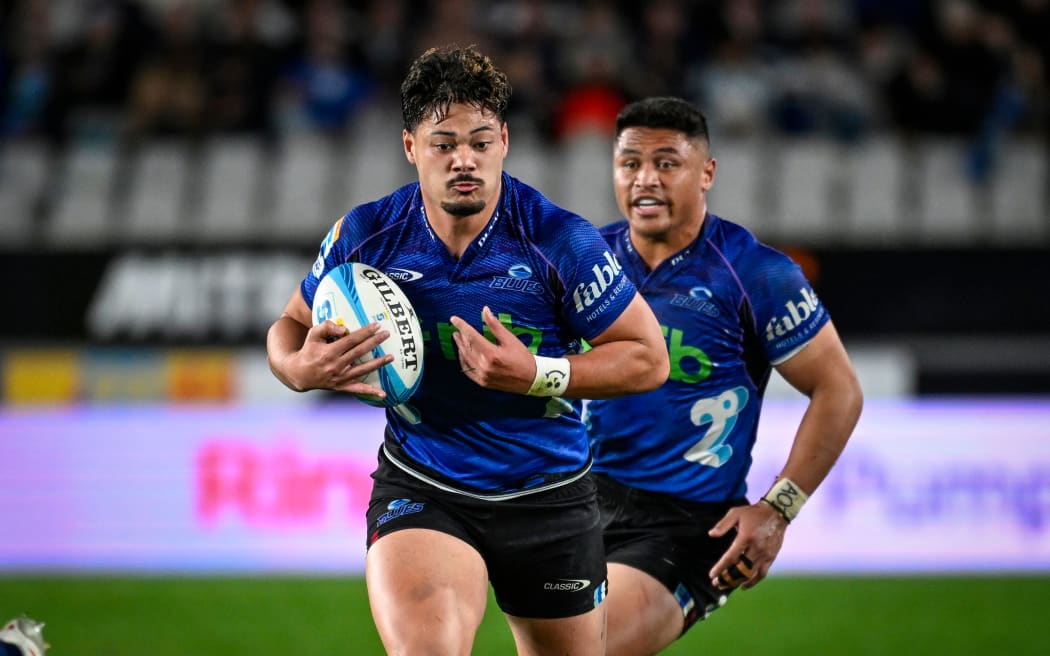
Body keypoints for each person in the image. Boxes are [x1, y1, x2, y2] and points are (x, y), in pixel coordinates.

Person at [265, 46, 669, 656]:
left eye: (481, 142)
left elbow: (648, 357)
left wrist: (538, 374)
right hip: (424, 486)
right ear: (410, 146)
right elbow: (289, 326)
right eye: (444, 142)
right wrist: (297, 368)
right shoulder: (368, 234)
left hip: (549, 495)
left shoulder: (559, 240)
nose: (465, 160)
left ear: (504, 141)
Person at [586, 96, 864, 655]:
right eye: (630, 163)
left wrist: (777, 510)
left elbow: (839, 390)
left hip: (684, 525)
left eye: (667, 163)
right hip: (576, 501)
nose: (646, 179)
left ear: (705, 173)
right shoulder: (586, 260)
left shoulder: (755, 273)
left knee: (587, 648)